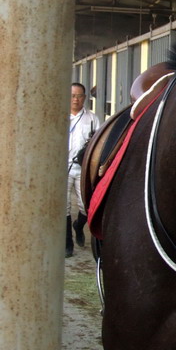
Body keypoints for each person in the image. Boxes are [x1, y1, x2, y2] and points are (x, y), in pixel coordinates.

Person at [67, 82, 100, 257]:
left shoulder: (92, 118)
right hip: (63, 169)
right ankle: (68, 244)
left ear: (84, 98)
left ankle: (78, 226)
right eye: (72, 95)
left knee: (85, 206)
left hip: (82, 169)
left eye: (79, 96)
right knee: (64, 206)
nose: (75, 99)